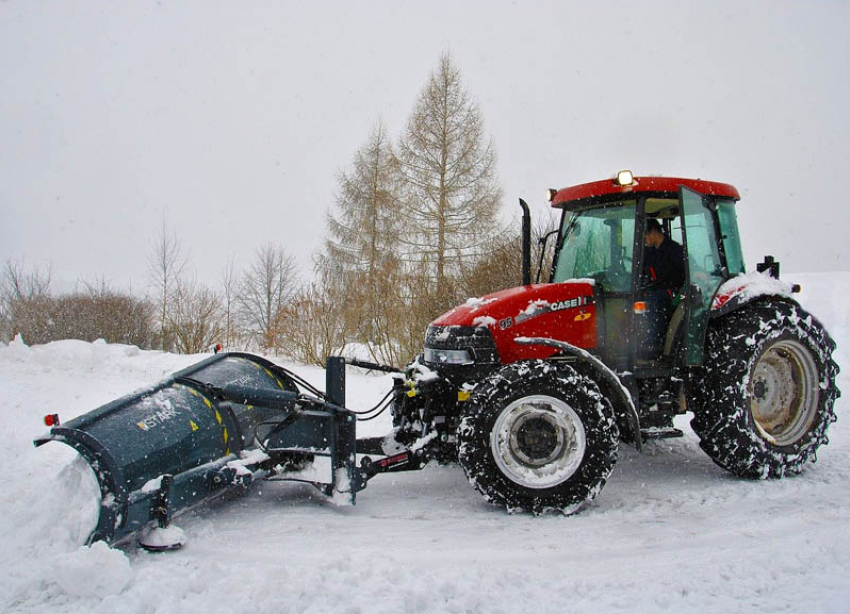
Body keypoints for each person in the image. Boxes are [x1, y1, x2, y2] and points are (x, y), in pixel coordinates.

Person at [641, 218, 685, 358]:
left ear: (653, 233)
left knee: (652, 301)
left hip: (674, 291)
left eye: (645, 236)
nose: (645, 240)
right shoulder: (651, 253)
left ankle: (655, 345)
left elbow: (688, 269)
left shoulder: (674, 250)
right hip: (656, 288)